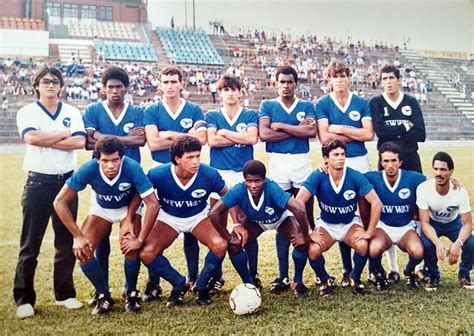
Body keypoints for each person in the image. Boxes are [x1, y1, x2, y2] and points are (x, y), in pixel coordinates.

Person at [53, 137, 159, 315]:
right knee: (83, 251)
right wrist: (78, 236)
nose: (110, 166)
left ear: (121, 158)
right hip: (102, 209)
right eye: (105, 161)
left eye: (115, 160)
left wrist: (140, 239)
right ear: (97, 160)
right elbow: (59, 202)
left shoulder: (132, 167)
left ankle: (131, 293)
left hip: (128, 209)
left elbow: (153, 204)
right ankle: (103, 294)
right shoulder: (88, 169)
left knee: (130, 246)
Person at [14, 66, 86, 319]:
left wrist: (51, 137)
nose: (51, 85)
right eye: (45, 82)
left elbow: (80, 142)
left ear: (61, 85)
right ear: (36, 85)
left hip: (67, 183)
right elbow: (31, 138)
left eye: (55, 82)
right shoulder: (28, 111)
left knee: (65, 242)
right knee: (30, 244)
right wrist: (64, 134)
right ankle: (24, 299)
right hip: (38, 183)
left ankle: (64, 294)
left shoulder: (71, 111)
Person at [82, 66, 157, 304]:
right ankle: (102, 289)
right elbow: (87, 142)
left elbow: (141, 139)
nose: (114, 91)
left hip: (131, 186)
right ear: (104, 89)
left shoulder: (136, 111)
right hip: (103, 185)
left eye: (118, 86)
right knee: (100, 242)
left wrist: (103, 137)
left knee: (130, 238)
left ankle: (130, 289)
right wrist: (125, 140)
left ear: (126, 88)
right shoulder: (93, 109)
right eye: (110, 87)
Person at [139, 136, 230, 307]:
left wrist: (238, 223)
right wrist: (131, 222)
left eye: (198, 156)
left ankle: (201, 285)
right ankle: (179, 283)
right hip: (169, 217)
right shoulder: (158, 174)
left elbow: (228, 195)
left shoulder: (209, 173)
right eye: (190, 157)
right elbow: (138, 197)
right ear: (177, 159)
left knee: (220, 244)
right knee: (146, 253)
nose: (196, 161)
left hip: (198, 216)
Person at [209, 160, 319, 299]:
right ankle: (249, 284)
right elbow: (213, 214)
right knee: (234, 245)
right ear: (244, 180)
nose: (253, 185)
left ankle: (298, 282)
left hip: (281, 219)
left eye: (258, 181)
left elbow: (300, 210)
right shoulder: (239, 189)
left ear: (264, 179)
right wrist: (230, 235)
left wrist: (305, 234)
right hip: (256, 221)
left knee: (301, 241)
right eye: (249, 181)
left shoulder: (271, 187)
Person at [144, 66, 207, 291]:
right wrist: (184, 136)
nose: (170, 86)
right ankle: (154, 282)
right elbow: (153, 143)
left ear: (182, 83)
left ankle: (192, 277)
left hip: (188, 173)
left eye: (173, 81)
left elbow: (200, 140)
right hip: (160, 173)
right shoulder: (152, 110)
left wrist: (168, 134)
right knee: (153, 227)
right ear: (159, 84)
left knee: (191, 225)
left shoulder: (194, 109)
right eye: (166, 82)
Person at [315, 60, 374, 287]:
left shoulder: (361, 102)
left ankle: (373, 268)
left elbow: (368, 134)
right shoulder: (322, 103)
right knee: (342, 211)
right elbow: (323, 138)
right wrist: (353, 133)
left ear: (349, 78)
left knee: (365, 213)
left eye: (342, 75)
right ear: (329, 79)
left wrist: (338, 130)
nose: (339, 80)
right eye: (334, 76)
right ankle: (348, 270)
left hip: (359, 161)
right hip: (336, 163)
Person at [296, 139, 382, 295]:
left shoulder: (354, 176)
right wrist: (309, 231)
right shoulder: (318, 176)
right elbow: (298, 202)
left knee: (363, 244)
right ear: (326, 158)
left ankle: (354, 278)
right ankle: (324, 279)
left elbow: (376, 203)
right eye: (335, 155)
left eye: (343, 154)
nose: (341, 158)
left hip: (349, 224)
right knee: (313, 250)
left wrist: (369, 232)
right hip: (327, 225)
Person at [258, 65, 317, 293]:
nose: (285, 86)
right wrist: (295, 129)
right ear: (276, 83)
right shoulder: (268, 105)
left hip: (301, 161)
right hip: (278, 163)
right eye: (281, 82)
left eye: (289, 82)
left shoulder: (306, 105)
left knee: (305, 217)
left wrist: (281, 126)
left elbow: (310, 133)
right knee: (282, 219)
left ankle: (300, 276)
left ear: (296, 83)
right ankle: (282, 275)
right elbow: (264, 135)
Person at [369, 64, 427, 284]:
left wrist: (402, 128)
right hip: (386, 160)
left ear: (399, 79)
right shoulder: (376, 102)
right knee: (387, 209)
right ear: (381, 81)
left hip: (411, 159)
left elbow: (421, 134)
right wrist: (406, 127)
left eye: (392, 77)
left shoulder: (411, 102)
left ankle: (419, 266)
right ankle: (392, 268)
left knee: (418, 210)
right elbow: (380, 132)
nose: (388, 81)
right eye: (384, 78)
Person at [205, 74, 259, 288]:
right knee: (217, 225)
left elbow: (251, 138)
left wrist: (226, 133)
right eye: (225, 90)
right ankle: (216, 276)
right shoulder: (212, 115)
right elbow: (212, 140)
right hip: (218, 175)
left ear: (240, 92)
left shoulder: (250, 114)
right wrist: (239, 136)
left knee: (247, 225)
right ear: (220, 93)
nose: (229, 93)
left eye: (233, 89)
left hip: (243, 176)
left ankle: (252, 274)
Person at [361, 142, 426, 290]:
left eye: (393, 160)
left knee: (418, 251)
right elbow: (349, 176)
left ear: (400, 161)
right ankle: (380, 273)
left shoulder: (413, 178)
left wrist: (453, 181)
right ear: (381, 162)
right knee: (374, 248)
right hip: (384, 227)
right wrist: (326, 168)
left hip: (405, 228)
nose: (390, 165)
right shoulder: (372, 178)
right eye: (386, 161)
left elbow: (435, 184)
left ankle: (409, 271)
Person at [417, 152, 474, 291]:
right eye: (436, 169)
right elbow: (424, 223)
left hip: (453, 223)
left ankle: (464, 273)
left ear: (451, 172)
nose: (438, 173)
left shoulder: (459, 191)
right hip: (433, 223)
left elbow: (468, 224)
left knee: (471, 243)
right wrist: (437, 243)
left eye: (443, 169)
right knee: (427, 244)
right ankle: (433, 275)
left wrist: (458, 244)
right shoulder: (424, 189)